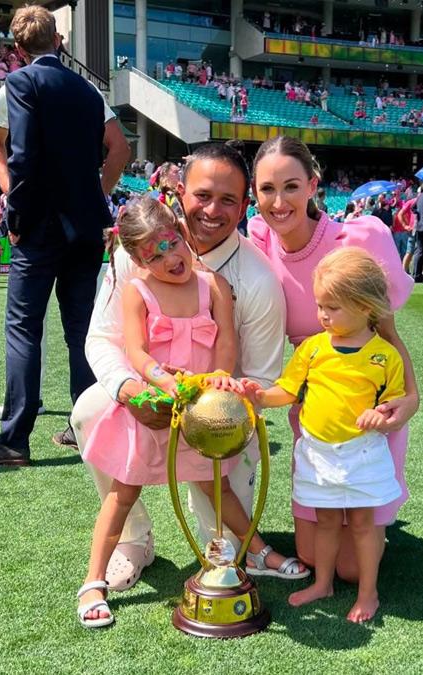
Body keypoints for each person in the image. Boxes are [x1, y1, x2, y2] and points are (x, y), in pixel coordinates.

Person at [71, 143, 302, 592]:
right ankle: (133, 541)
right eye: (202, 195)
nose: (213, 210)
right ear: (179, 193)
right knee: (89, 410)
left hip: (221, 406)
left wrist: (210, 409)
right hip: (151, 393)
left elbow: (262, 376)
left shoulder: (255, 279)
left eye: (229, 199)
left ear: (244, 205)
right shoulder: (131, 253)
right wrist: (129, 391)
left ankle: (229, 543)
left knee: (222, 544)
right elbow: (104, 338)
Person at [246, 135, 419, 585]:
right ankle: (359, 526)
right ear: (255, 193)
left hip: (366, 411)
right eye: (267, 188)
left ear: (313, 186)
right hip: (315, 406)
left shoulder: (359, 239)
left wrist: (411, 399)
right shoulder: (259, 238)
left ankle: (371, 524)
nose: (278, 201)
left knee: (349, 567)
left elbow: (388, 333)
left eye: (291, 186)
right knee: (310, 554)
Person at [0, 5, 129, 466]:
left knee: (24, 327)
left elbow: (15, 152)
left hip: (38, 225)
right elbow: (120, 148)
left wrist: (13, 212)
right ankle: (86, 427)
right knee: (83, 327)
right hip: (86, 224)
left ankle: (14, 439)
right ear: (59, 41)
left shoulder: (18, 83)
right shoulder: (88, 90)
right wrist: (95, 193)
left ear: (18, 49)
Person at [217, 247, 404, 623]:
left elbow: (395, 402)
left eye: (332, 307)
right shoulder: (314, 348)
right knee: (327, 521)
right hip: (317, 452)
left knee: (365, 524)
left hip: (362, 453)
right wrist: (259, 395)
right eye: (320, 305)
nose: (322, 315)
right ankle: (323, 583)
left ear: (366, 306)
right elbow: (286, 390)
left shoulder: (384, 355)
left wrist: (379, 414)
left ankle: (369, 594)